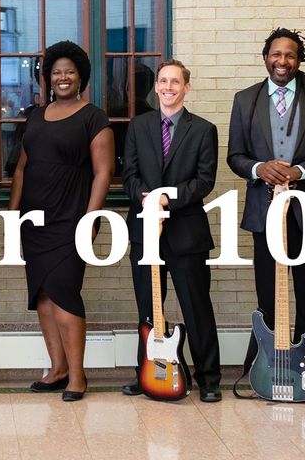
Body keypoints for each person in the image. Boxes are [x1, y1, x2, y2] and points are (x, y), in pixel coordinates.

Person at [227, 28, 305, 371]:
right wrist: (259, 168)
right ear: (265, 57)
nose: (282, 61)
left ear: (299, 59)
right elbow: (235, 155)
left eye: (290, 55)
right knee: (267, 296)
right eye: (276, 54)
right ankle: (264, 365)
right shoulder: (245, 99)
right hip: (264, 211)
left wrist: (301, 172)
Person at [7, 41, 113, 402]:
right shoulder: (35, 116)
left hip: (71, 219)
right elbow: (22, 166)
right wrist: (12, 213)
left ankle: (78, 376)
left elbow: (102, 173)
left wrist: (91, 217)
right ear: (48, 78)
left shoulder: (94, 117)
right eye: (56, 72)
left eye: (69, 71)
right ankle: (57, 368)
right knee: (42, 295)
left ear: (80, 76)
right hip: (33, 220)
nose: (62, 77)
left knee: (65, 293)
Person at [121, 59, 221, 402]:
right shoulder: (139, 126)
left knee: (196, 307)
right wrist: (144, 197)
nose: (167, 87)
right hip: (144, 232)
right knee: (149, 310)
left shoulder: (204, 129)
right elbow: (130, 176)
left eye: (175, 82)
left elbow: (204, 181)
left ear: (186, 88)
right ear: (157, 86)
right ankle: (146, 373)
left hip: (187, 234)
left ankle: (209, 379)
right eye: (163, 81)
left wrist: (167, 200)